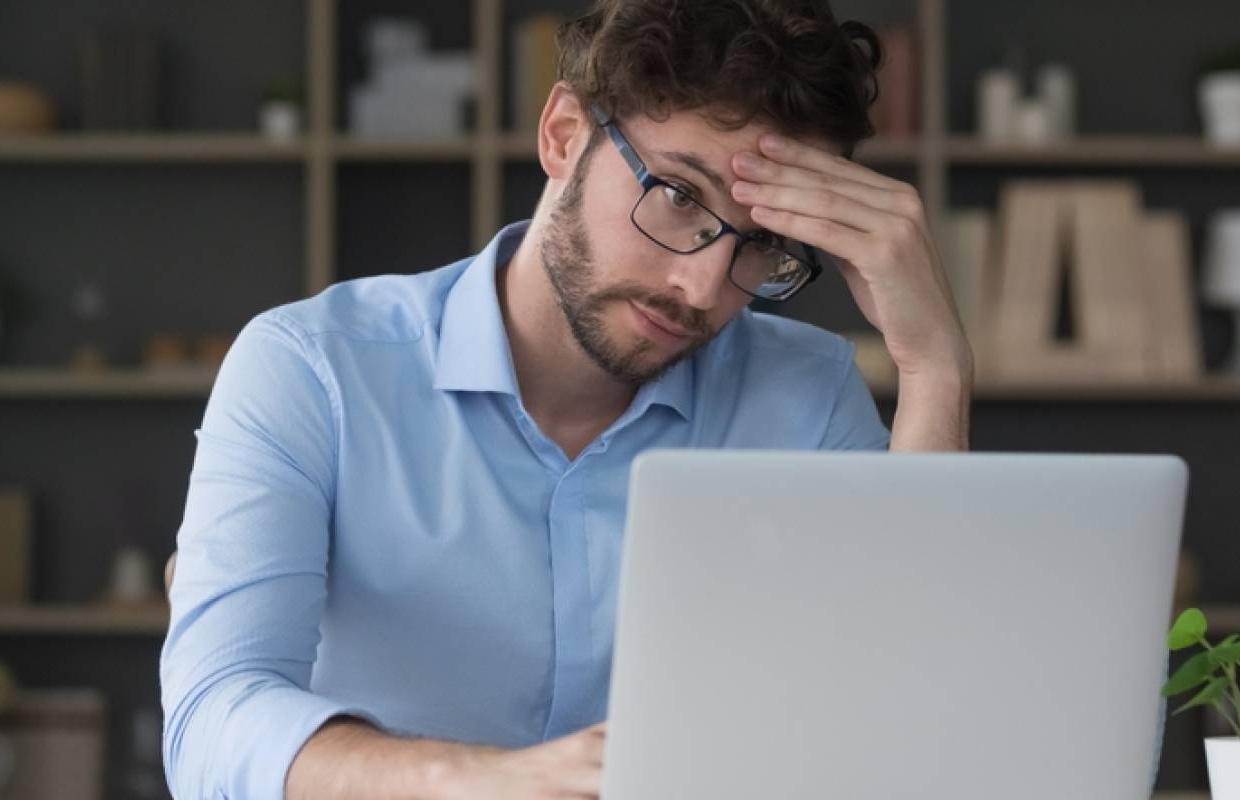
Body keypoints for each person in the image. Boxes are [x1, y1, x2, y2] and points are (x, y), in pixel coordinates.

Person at [160, 1, 973, 797]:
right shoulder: (315, 370)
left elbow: (910, 723)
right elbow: (211, 723)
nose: (700, 284)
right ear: (563, 135)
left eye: (759, 244)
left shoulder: (806, 394)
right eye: (680, 197)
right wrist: (486, 781)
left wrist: (933, 365)